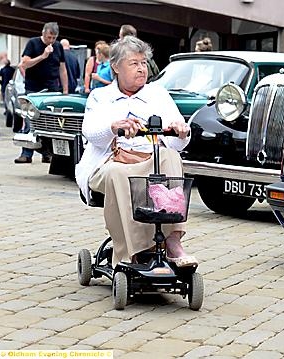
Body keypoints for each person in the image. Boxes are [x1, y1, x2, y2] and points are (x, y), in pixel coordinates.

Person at [75, 35, 196, 268]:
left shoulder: (157, 94)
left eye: (143, 63)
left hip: (150, 161)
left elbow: (179, 141)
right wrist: (113, 127)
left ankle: (172, 240)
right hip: (111, 161)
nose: (141, 69)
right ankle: (132, 251)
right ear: (115, 67)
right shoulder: (101, 97)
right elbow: (90, 132)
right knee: (118, 174)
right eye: (134, 63)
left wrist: (181, 131)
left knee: (170, 156)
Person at [15, 22, 68, 164]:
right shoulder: (33, 43)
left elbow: (62, 69)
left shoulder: (58, 47)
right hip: (34, 88)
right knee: (30, 121)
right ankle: (26, 153)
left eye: (54, 38)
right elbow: (24, 64)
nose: (51, 40)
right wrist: (42, 56)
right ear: (44, 33)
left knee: (50, 123)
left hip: (52, 88)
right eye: (49, 37)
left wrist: (65, 90)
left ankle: (47, 153)